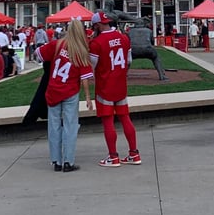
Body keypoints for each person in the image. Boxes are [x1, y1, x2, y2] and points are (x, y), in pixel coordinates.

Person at [35, 18, 94, 172]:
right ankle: (68, 161)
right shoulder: (81, 50)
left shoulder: (57, 44)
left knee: (54, 126)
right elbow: (85, 78)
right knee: (70, 126)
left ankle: (56, 161)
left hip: (53, 89)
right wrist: (88, 97)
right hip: (70, 91)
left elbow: (38, 54)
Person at [88, 11, 141, 167]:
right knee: (125, 117)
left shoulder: (96, 43)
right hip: (120, 84)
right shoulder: (124, 38)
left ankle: (113, 156)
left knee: (108, 121)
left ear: (97, 25)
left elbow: (92, 66)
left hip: (105, 85)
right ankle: (134, 153)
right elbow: (129, 61)